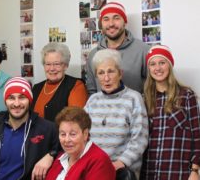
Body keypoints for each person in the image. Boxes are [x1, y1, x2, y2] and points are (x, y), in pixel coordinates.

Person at [0, 77, 60, 180]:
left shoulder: (47, 128)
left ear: (29, 100)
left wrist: (51, 155)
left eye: (22, 97)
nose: (16, 104)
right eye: (11, 98)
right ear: (5, 101)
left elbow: (67, 149)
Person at [84, 49, 149, 178]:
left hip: (122, 171)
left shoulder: (133, 98)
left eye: (111, 71)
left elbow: (140, 138)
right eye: (101, 73)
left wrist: (121, 162)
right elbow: (82, 134)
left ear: (120, 73)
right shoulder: (92, 101)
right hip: (95, 168)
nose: (106, 78)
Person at [140, 45, 200, 180]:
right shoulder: (144, 99)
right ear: (149, 69)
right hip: (149, 173)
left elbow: (197, 135)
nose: (157, 68)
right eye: (153, 64)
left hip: (178, 173)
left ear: (170, 65)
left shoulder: (186, 96)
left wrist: (195, 170)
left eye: (162, 62)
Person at [86, 2, 150, 95]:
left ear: (125, 22)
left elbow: (152, 88)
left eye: (116, 18)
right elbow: (91, 91)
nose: (111, 24)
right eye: (106, 19)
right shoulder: (93, 55)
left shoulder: (143, 51)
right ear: (101, 24)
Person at [45, 107, 116, 180]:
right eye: (63, 134)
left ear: (85, 134)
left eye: (73, 134)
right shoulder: (60, 158)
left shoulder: (100, 161)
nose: (66, 140)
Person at [32, 42, 88, 122]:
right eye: (48, 64)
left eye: (56, 64)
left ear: (65, 65)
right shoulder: (36, 88)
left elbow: (76, 123)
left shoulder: (76, 86)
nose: (52, 68)